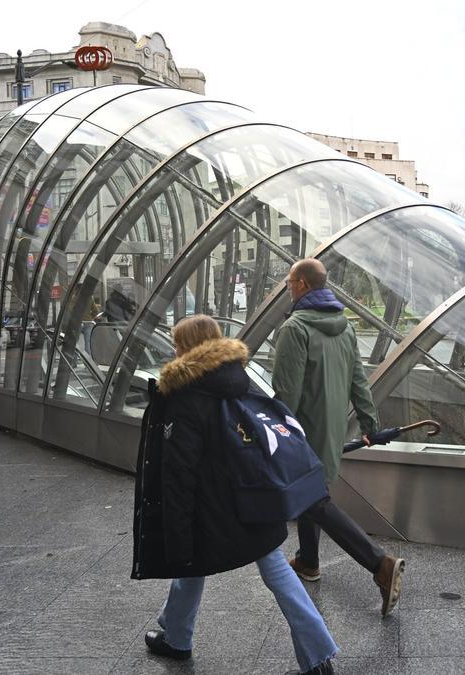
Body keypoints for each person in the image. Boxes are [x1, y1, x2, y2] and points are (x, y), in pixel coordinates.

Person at [132, 315, 338, 675]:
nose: (174, 350)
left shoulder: (184, 396)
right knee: (273, 571)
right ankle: (318, 655)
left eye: (177, 344)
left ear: (188, 348)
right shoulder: (239, 379)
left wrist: (174, 532)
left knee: (190, 561)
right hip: (254, 497)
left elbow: (178, 473)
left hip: (208, 507)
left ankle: (178, 639)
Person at [273, 258, 405, 618]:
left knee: (315, 501)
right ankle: (309, 561)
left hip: (300, 432)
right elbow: (358, 382)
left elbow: (286, 393)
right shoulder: (345, 327)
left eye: (289, 281)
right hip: (330, 430)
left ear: (301, 284)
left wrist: (276, 436)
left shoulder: (295, 329)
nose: (287, 287)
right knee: (312, 495)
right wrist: (370, 423)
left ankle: (379, 565)